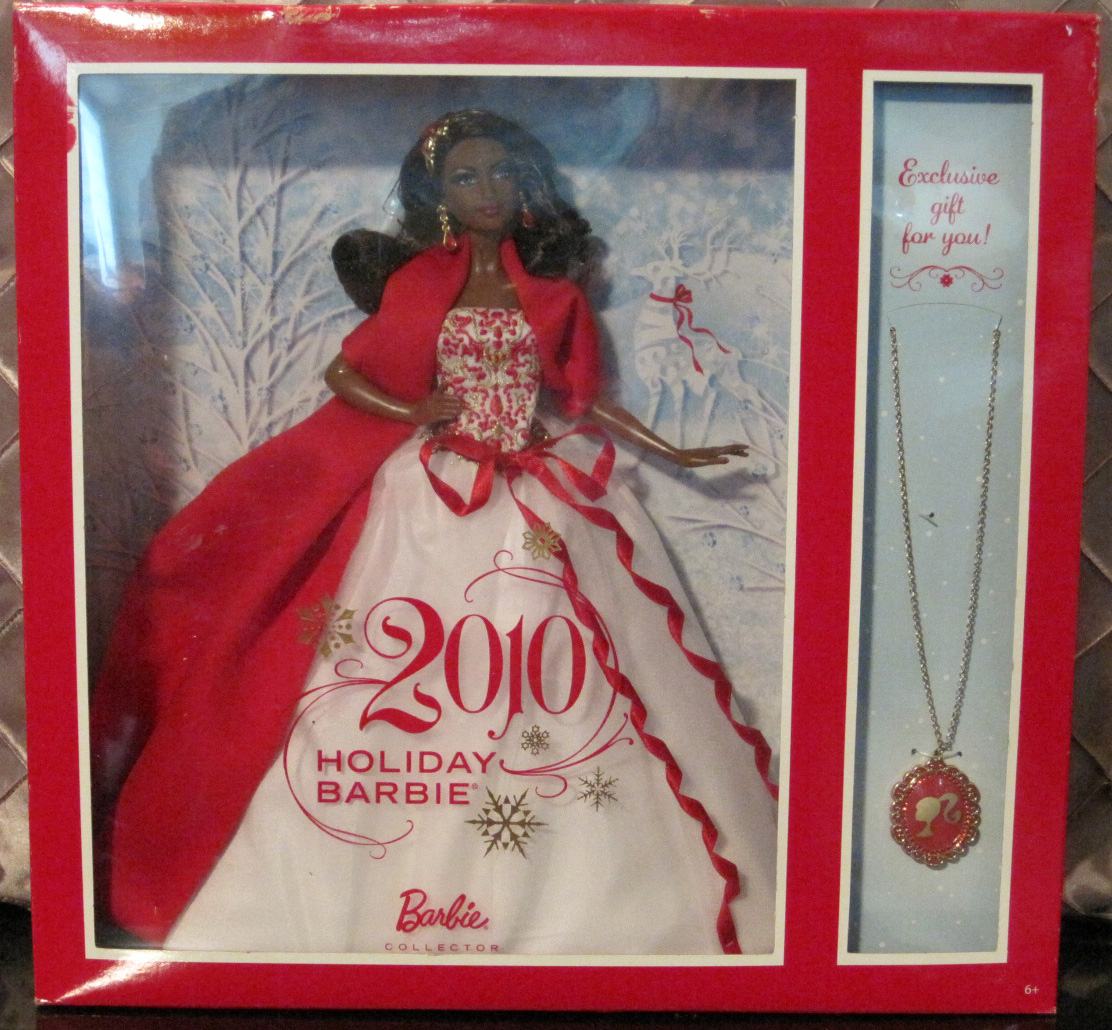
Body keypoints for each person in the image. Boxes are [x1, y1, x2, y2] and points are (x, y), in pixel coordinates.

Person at [92, 109, 778, 956]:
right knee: (401, 658)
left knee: (547, 657)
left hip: (535, 491)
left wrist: (676, 449)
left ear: (527, 186)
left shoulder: (554, 297)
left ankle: (575, 881)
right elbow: (345, 372)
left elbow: (586, 400)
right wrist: (415, 407)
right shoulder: (418, 287)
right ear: (440, 198)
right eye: (466, 177)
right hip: (430, 492)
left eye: (501, 174)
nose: (487, 191)